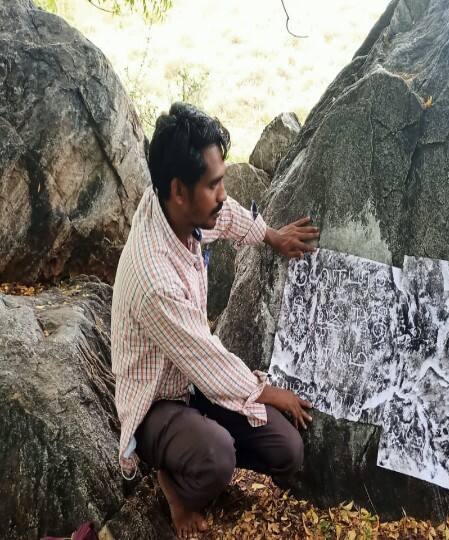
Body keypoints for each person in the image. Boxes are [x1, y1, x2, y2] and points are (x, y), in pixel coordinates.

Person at [111, 102, 318, 538]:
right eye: (214, 184)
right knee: (217, 456)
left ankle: (201, 449)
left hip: (195, 384)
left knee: (287, 451)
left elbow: (225, 214)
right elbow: (205, 356)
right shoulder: (155, 280)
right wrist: (269, 392)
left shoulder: (181, 206)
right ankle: (173, 485)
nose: (223, 193)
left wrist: (270, 235)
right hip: (157, 401)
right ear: (178, 190)